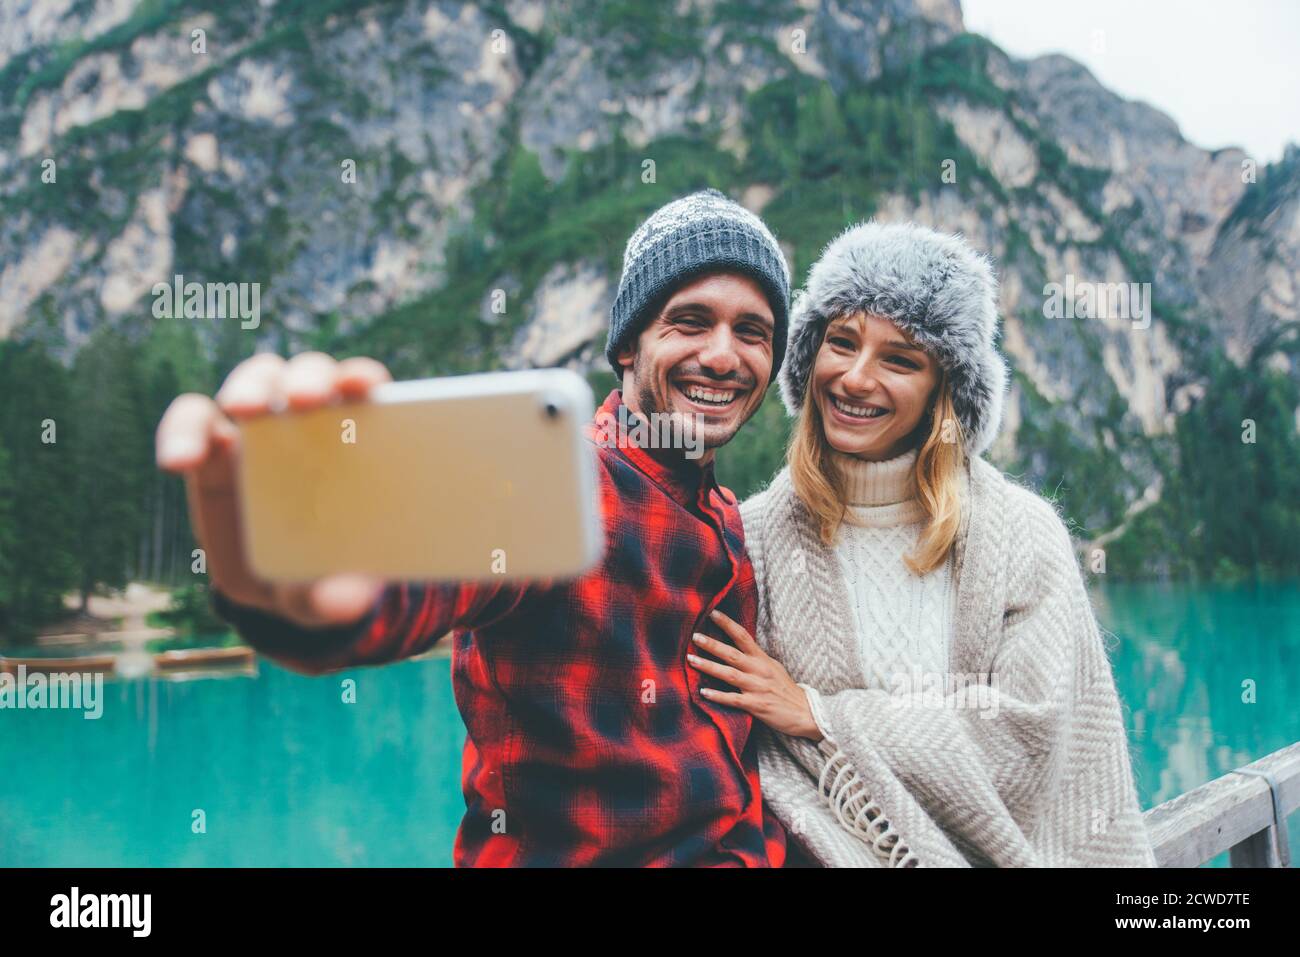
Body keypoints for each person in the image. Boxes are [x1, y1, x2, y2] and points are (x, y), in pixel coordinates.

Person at [155, 188, 794, 867]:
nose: (724, 356)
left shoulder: (726, 516)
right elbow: (419, 581)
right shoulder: (553, 481)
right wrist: (290, 590)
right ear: (629, 347)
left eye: (752, 331)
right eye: (689, 322)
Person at [685, 221, 1158, 867]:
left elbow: (1026, 742)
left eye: (900, 358)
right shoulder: (756, 533)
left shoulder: (1020, 533)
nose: (854, 378)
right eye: (840, 342)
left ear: (946, 389)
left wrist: (821, 714)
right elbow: (737, 745)